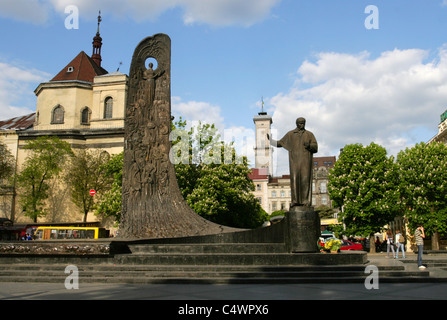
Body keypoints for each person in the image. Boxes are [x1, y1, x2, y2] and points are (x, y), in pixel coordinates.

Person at [267, 117, 318, 207]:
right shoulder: (291, 134)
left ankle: (305, 201)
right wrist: (271, 141)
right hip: (294, 162)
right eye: (300, 123)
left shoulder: (309, 134)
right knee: (294, 180)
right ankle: (295, 201)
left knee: (305, 180)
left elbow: (315, 147)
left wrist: (309, 145)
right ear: (296, 124)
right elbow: (280, 143)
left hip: (305, 162)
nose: (302, 125)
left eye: (303, 123)